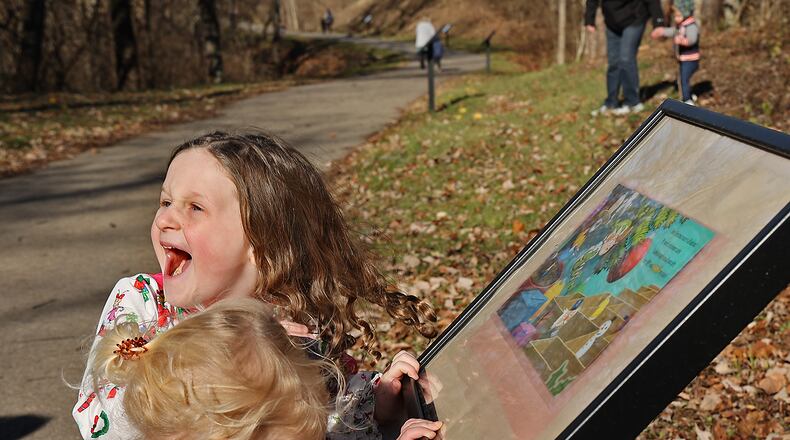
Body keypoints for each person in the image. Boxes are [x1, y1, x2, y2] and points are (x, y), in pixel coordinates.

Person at [73, 131, 438, 439]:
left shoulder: (296, 329)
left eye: (194, 208)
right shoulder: (142, 303)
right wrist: (230, 352)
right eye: (166, 201)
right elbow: (106, 419)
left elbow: (321, 423)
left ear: (262, 244)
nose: (166, 218)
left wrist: (378, 408)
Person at [585, 0, 666, 115]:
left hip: (635, 19)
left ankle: (633, 102)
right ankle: (611, 103)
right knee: (613, 62)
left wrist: (658, 22)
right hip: (612, 23)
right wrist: (589, 19)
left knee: (626, 59)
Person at [650, 0, 700, 105]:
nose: (676, 19)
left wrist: (680, 41)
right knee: (682, 78)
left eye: (678, 16)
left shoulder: (690, 26)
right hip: (683, 58)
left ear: (686, 14)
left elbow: (692, 40)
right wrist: (662, 31)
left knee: (683, 79)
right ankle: (689, 95)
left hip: (691, 59)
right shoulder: (681, 25)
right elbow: (673, 31)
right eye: (675, 16)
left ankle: (687, 100)